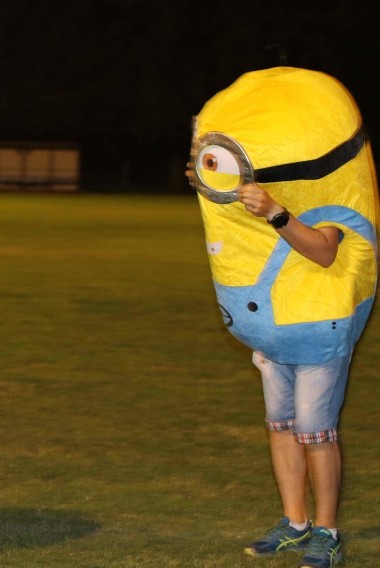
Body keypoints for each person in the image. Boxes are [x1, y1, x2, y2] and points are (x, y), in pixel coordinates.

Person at [188, 67, 378, 568]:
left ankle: (328, 531)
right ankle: (295, 524)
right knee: (281, 427)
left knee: (316, 431)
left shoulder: (327, 196)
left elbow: (323, 252)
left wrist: (275, 212)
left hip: (319, 326)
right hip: (276, 331)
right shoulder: (263, 186)